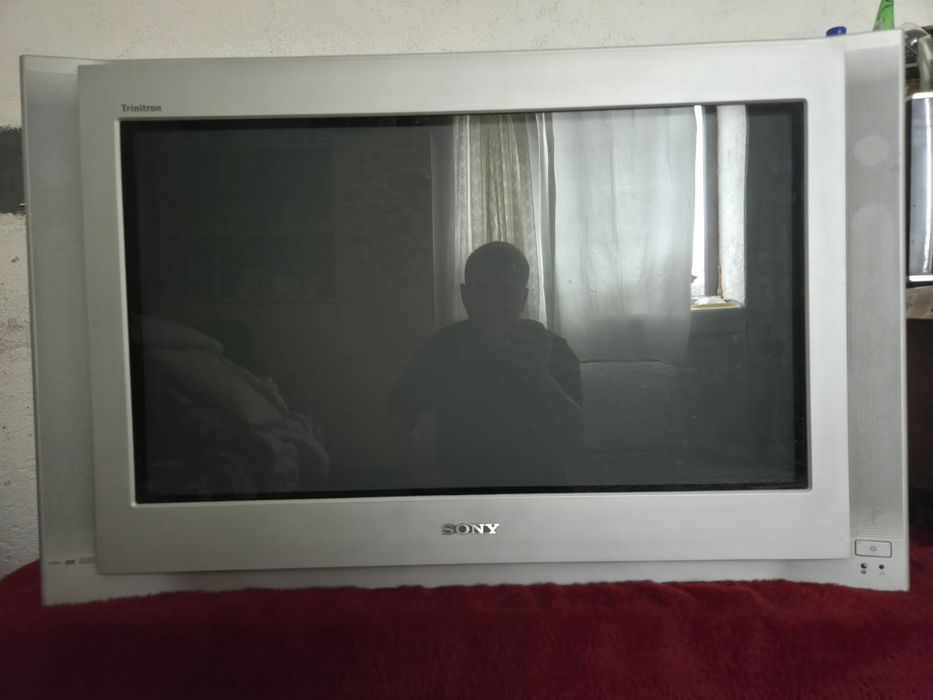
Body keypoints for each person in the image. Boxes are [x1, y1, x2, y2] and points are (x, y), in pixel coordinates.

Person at [387, 241, 583, 488]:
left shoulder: (552, 349)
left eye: (505, 292)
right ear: (464, 295)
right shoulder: (440, 349)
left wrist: (539, 376)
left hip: (541, 487)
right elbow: (397, 417)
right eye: (481, 291)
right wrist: (422, 475)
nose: (492, 304)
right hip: (465, 487)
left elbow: (573, 437)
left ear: (523, 297)